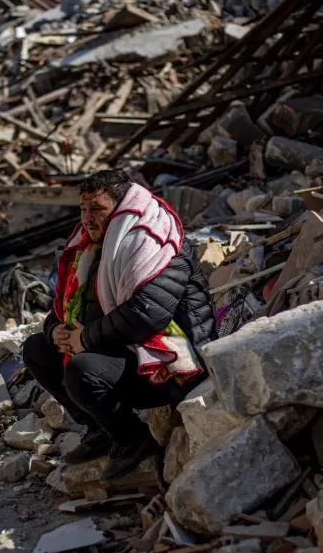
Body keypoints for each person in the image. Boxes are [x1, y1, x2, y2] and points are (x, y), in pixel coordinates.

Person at [22, 170, 215, 481]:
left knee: (83, 371)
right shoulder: (90, 249)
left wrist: (86, 338)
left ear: (122, 208)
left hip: (170, 361)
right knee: (36, 349)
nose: (87, 219)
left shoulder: (155, 242)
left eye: (97, 209)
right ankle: (100, 430)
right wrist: (55, 329)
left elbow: (147, 315)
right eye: (83, 209)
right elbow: (69, 304)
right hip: (124, 347)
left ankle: (132, 439)